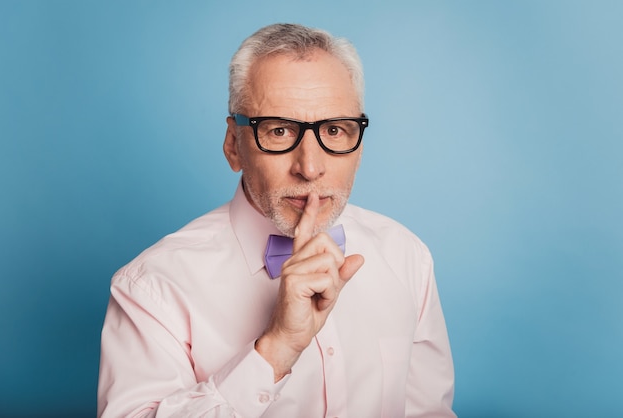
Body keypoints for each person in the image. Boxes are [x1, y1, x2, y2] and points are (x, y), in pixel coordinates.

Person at [97, 23, 455, 417]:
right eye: (280, 131)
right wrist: (278, 346)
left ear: (359, 144)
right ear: (234, 145)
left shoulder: (407, 256)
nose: (310, 167)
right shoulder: (151, 287)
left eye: (335, 130)